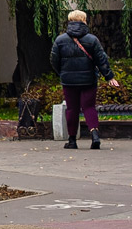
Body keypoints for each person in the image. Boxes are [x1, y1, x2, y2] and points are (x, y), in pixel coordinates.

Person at [49, 10, 120, 149]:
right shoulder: (92, 40)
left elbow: (53, 60)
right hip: (89, 80)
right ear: (84, 20)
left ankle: (72, 140)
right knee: (89, 107)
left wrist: (63, 73)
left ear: (70, 21)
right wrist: (109, 76)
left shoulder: (60, 40)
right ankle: (95, 136)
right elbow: (101, 60)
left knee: (72, 109)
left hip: (68, 81)